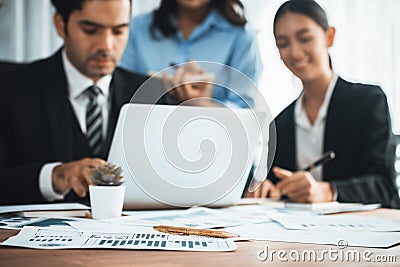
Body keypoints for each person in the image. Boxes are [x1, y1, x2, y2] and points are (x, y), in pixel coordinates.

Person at [247, 0, 400, 208]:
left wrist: (327, 191)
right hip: (300, 236)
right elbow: (279, 184)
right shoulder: (281, 124)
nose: (295, 52)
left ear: (329, 36)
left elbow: (385, 187)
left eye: (304, 38)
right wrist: (272, 190)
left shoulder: (368, 101)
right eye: (283, 43)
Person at [0, 0, 151, 205]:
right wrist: (54, 177)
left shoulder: (152, 94)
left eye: (118, 31)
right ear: (60, 25)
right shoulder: (11, 89)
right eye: (90, 30)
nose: (106, 46)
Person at [119, 0, 263, 107]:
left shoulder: (242, 36)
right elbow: (118, 96)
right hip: (144, 134)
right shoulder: (136, 28)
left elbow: (244, 113)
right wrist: (159, 91)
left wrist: (201, 105)